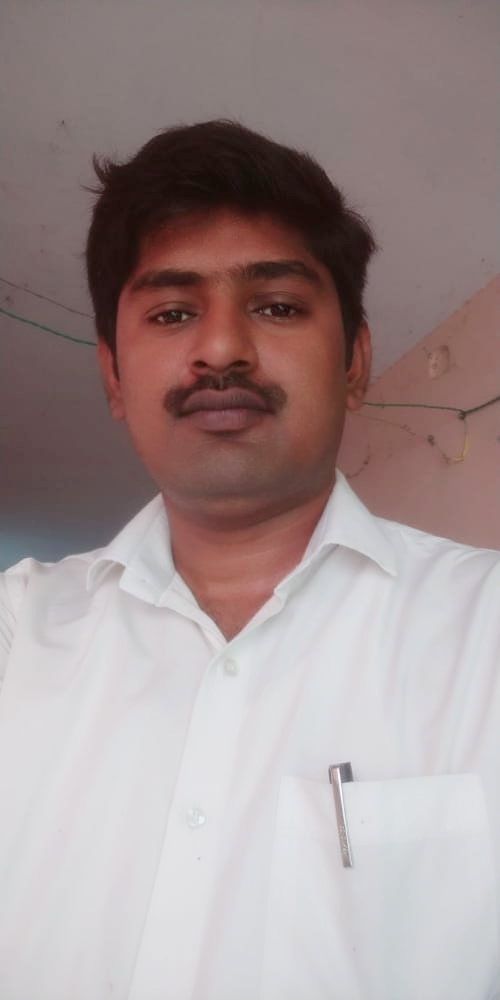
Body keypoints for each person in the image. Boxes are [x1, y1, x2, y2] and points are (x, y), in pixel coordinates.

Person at [1, 120, 499, 1000]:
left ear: (355, 361)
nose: (222, 348)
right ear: (113, 376)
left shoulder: (485, 633)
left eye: (276, 306)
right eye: (171, 313)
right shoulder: (15, 634)